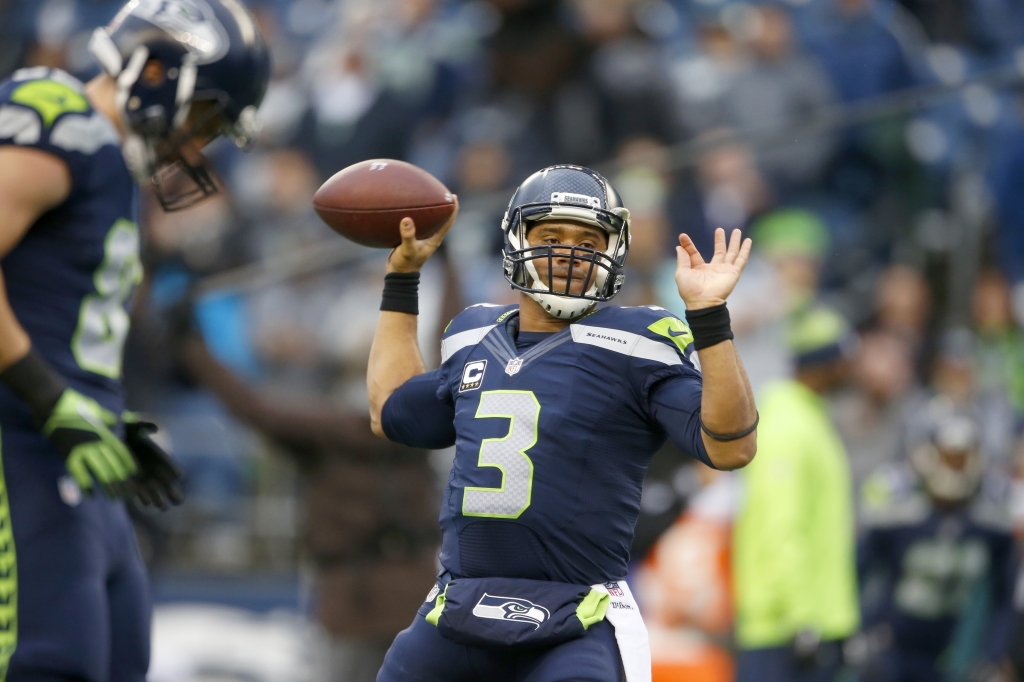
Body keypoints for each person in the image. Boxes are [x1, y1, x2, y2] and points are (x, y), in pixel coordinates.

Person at [366, 164, 759, 682]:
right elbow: (390, 410)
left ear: (612, 252)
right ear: (514, 241)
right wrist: (402, 278)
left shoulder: (640, 340)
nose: (569, 253)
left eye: (587, 240)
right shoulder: (473, 334)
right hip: (459, 605)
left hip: (577, 616)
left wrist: (708, 316)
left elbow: (731, 445)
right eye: (550, 236)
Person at [0, 1, 269, 679]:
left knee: (119, 659)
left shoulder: (111, 163)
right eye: (205, 116)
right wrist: (49, 397)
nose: (197, 144)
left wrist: (101, 416)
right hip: (21, 449)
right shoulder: (56, 118)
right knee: (49, 664)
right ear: (156, 71)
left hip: (76, 458)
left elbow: (56, 312)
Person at [732, 305, 860, 682]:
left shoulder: (809, 419)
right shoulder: (789, 427)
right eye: (844, 357)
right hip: (785, 632)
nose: (851, 367)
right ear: (824, 363)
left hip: (812, 624)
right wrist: (801, 619)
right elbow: (780, 524)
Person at [858, 399, 1018, 682]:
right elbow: (859, 571)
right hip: (893, 648)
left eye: (962, 457)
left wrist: (993, 656)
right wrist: (862, 632)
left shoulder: (988, 521)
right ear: (928, 455)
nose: (955, 468)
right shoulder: (902, 513)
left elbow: (1003, 595)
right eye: (948, 456)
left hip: (953, 652)